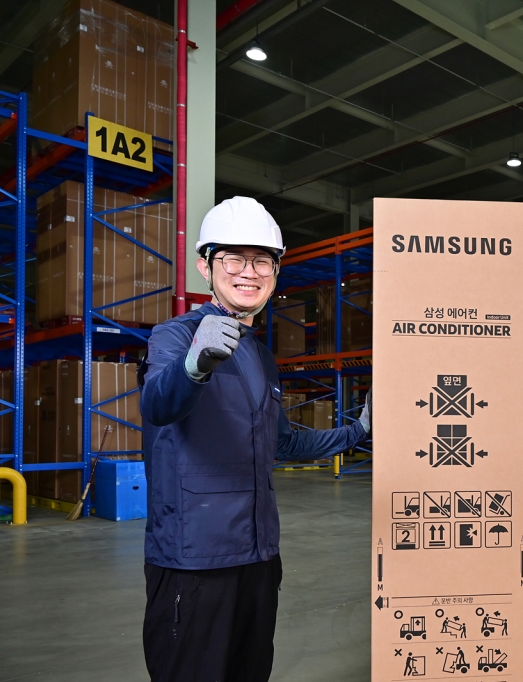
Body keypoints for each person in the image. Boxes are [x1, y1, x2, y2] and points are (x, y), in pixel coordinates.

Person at [139, 196, 372, 682]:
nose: (249, 272)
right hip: (195, 560)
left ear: (275, 272)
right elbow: (158, 404)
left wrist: (359, 431)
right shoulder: (175, 337)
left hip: (259, 556)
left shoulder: (261, 356)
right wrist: (193, 367)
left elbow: (281, 444)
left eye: (262, 260)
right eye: (232, 259)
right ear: (205, 266)